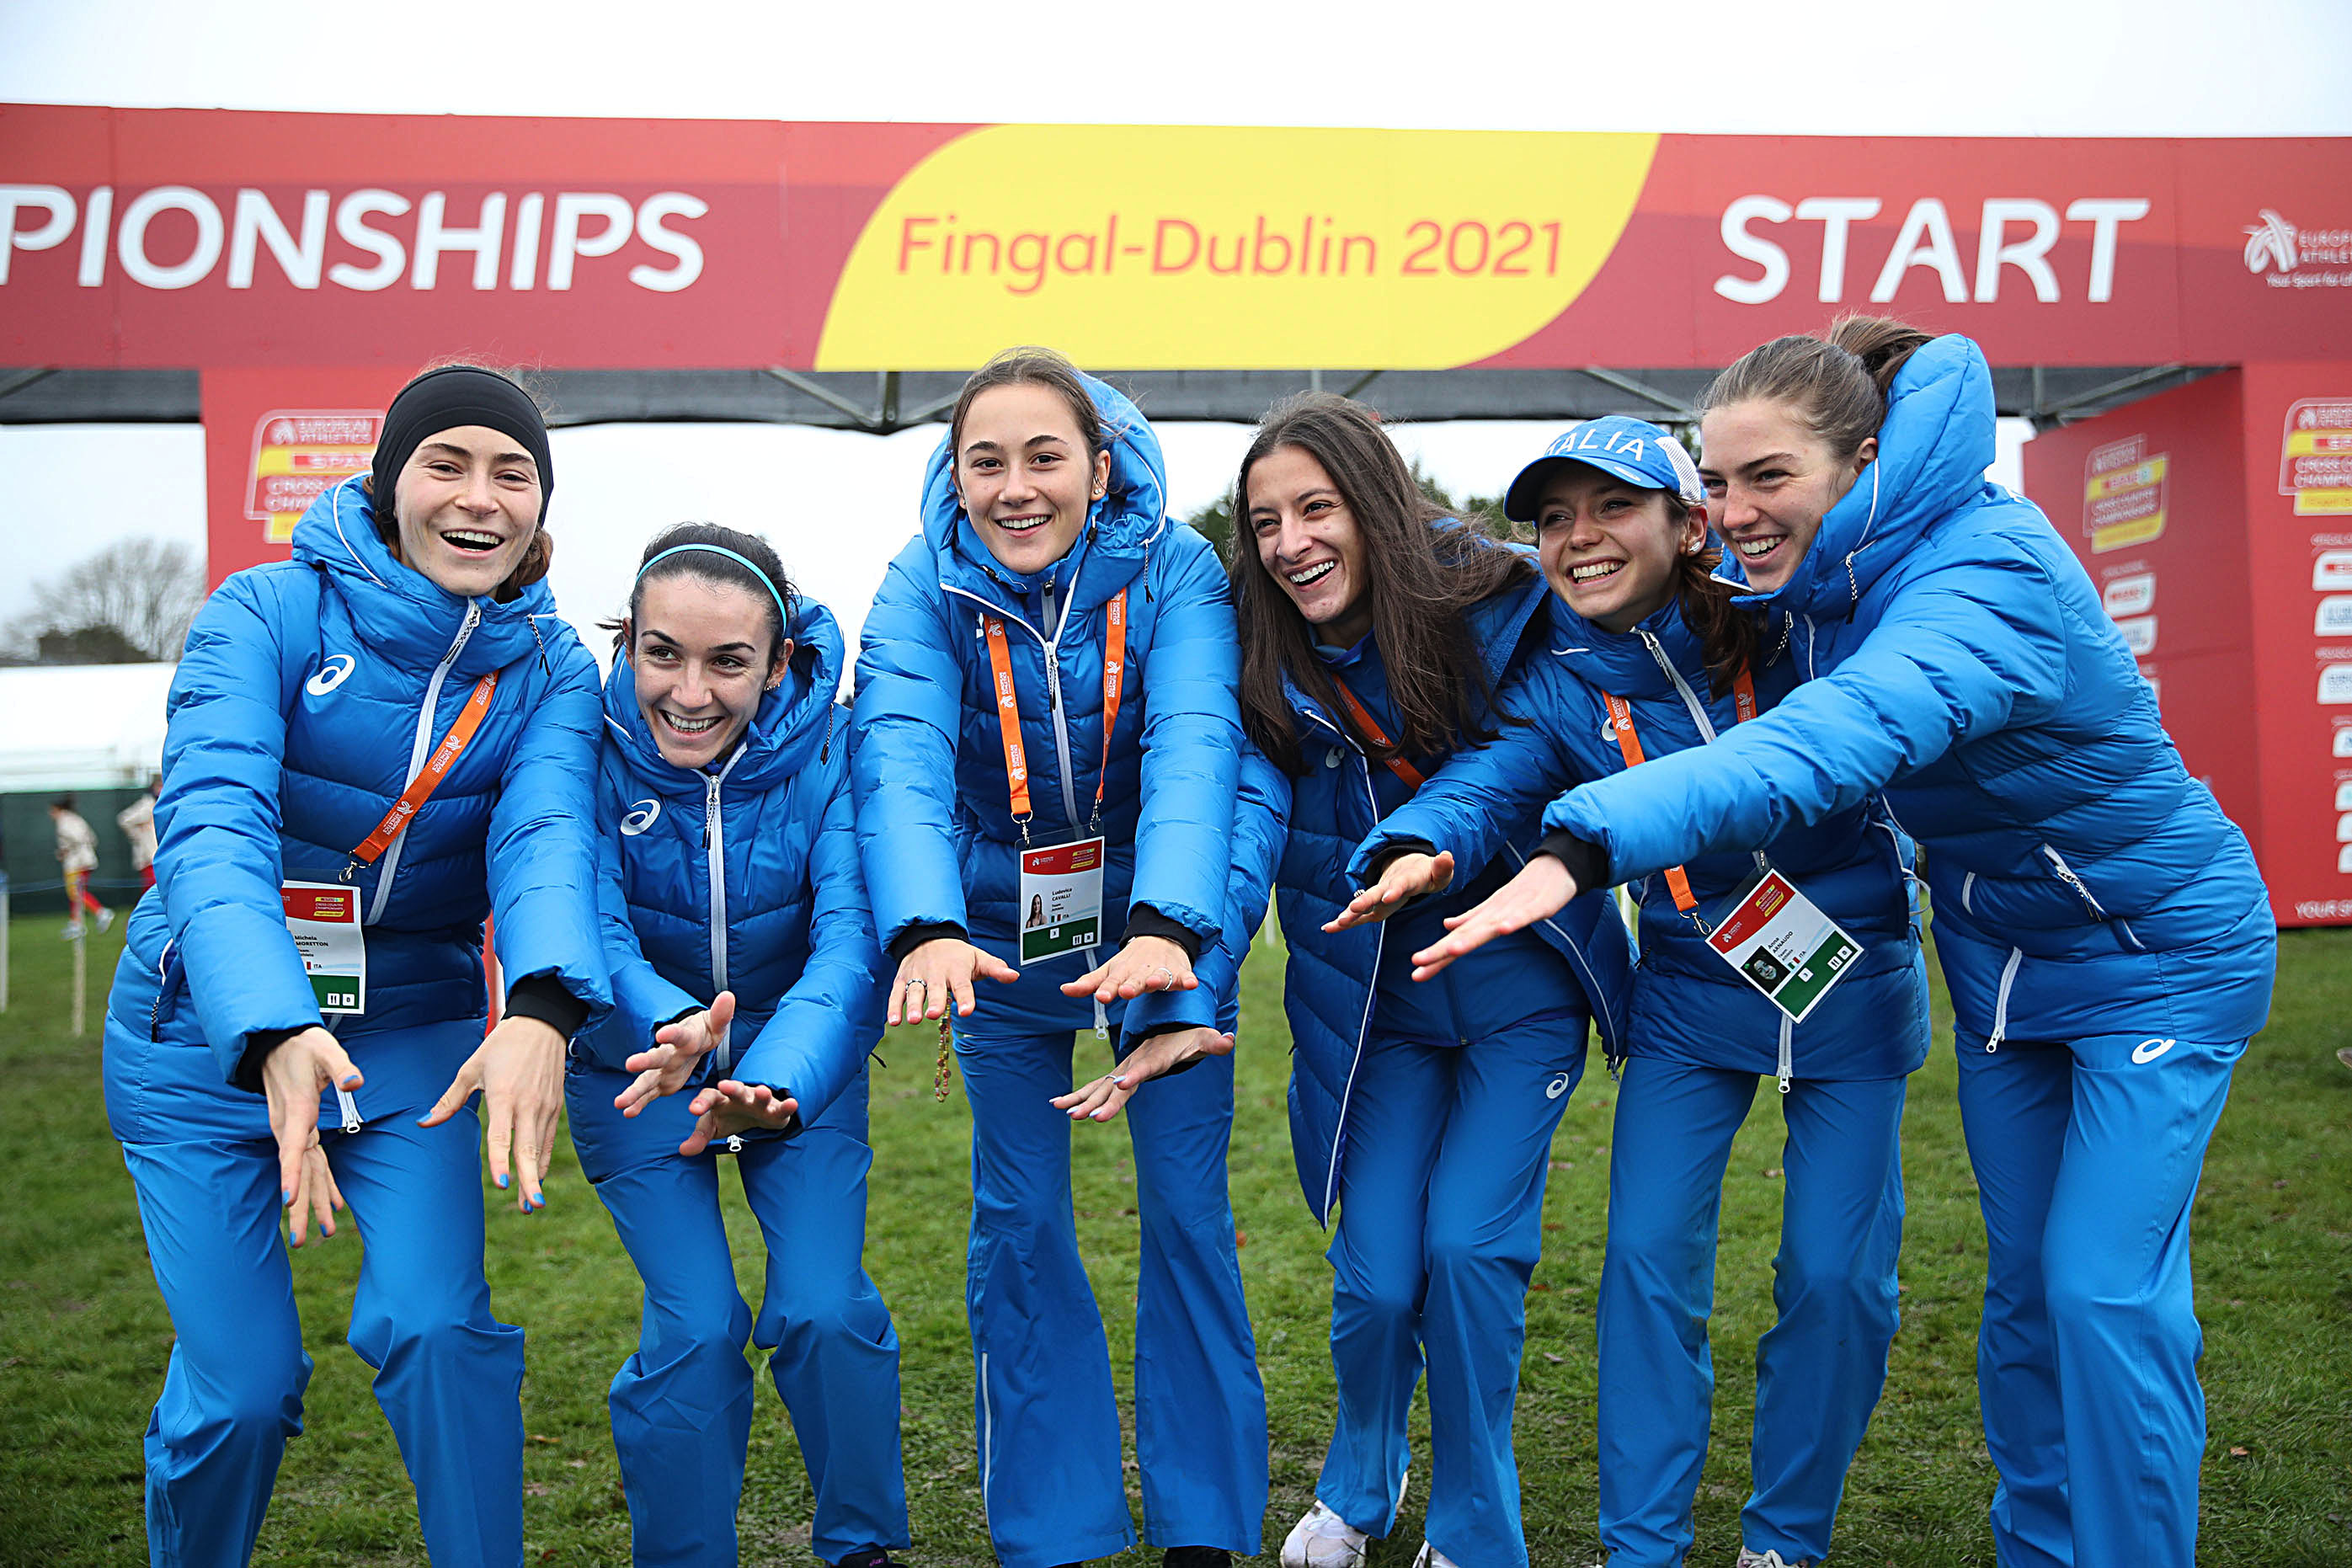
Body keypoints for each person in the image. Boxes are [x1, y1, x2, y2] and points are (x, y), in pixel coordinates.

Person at [1416, 321, 2277, 1568]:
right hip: (2001, 966)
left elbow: (1828, 736)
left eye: (1768, 477)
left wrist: (1584, 840)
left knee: (2096, 1291)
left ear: (1864, 461)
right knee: (2028, 1298)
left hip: (2151, 954)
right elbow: (1561, 592)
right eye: (1721, 482)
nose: (1738, 512)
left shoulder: (1980, 569)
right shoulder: (1814, 583)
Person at [1338, 415, 1929, 1568]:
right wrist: (1419, 841)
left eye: (1612, 506)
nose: (1579, 537)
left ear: (1690, 524)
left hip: (1850, 985)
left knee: (1837, 1280)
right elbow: (1492, 777)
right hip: (1687, 995)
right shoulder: (1558, 679)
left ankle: (1784, 1538)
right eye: (1555, 518)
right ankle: (1640, 1548)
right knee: (1649, 1268)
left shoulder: (1799, 625)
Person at [101, 363, 611, 1568]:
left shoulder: (552, 668)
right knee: (240, 1390)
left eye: (513, 473)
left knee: (439, 1331)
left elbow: (547, 839)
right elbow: (212, 825)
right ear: (389, 484)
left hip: (410, 1030)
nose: (479, 496)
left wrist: (542, 1004)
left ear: (540, 507)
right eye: (447, 463)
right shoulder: (263, 610)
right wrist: (273, 1024)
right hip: (203, 1029)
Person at [1171, 392, 1633, 1568]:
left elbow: (1523, 751)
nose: (1291, 543)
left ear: (1374, 506)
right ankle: (1359, 1486)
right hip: (1373, 1007)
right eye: (1265, 521)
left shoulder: (1501, 597)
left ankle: (1475, 1526)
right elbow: (1240, 816)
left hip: (1522, 987)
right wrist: (1184, 963)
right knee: (1377, 1279)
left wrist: (1426, 843)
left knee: (1470, 1253)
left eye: (1317, 508)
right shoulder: (1255, 649)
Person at [851, 348, 1265, 1568]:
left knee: (1186, 1210)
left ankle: (1203, 1528)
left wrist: (1171, 925)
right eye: (986, 461)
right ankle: (1052, 1529)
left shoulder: (1178, 566)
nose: (1016, 487)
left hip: (1158, 929)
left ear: (1100, 463)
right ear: (954, 472)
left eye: (1045, 457)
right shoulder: (921, 578)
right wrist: (925, 924)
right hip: (995, 935)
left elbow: (1197, 741)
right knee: (1020, 1220)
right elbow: (898, 752)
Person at [568, 523, 910, 1568]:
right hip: (638, 1068)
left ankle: (862, 1546)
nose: (690, 691)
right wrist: (671, 1026)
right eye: (661, 652)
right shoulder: (581, 744)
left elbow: (849, 942)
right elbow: (590, 921)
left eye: (727, 661)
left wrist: (769, 1080)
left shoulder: (834, 748)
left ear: (778, 662)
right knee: (697, 1324)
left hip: (796, 1069)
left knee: (824, 1308)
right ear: (627, 643)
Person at [52, 795, 113, 936]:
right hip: (84, 859)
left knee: (75, 891)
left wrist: (65, 850)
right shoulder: (76, 819)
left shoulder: (64, 821)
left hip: (76, 862)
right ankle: (76, 923)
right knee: (75, 892)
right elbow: (92, 839)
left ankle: (101, 912)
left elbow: (77, 838)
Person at [119, 774, 162, 891]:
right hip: (149, 855)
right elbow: (124, 820)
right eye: (158, 786)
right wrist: (138, 835)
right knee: (152, 889)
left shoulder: (162, 804)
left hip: (158, 853)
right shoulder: (147, 805)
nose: (161, 789)